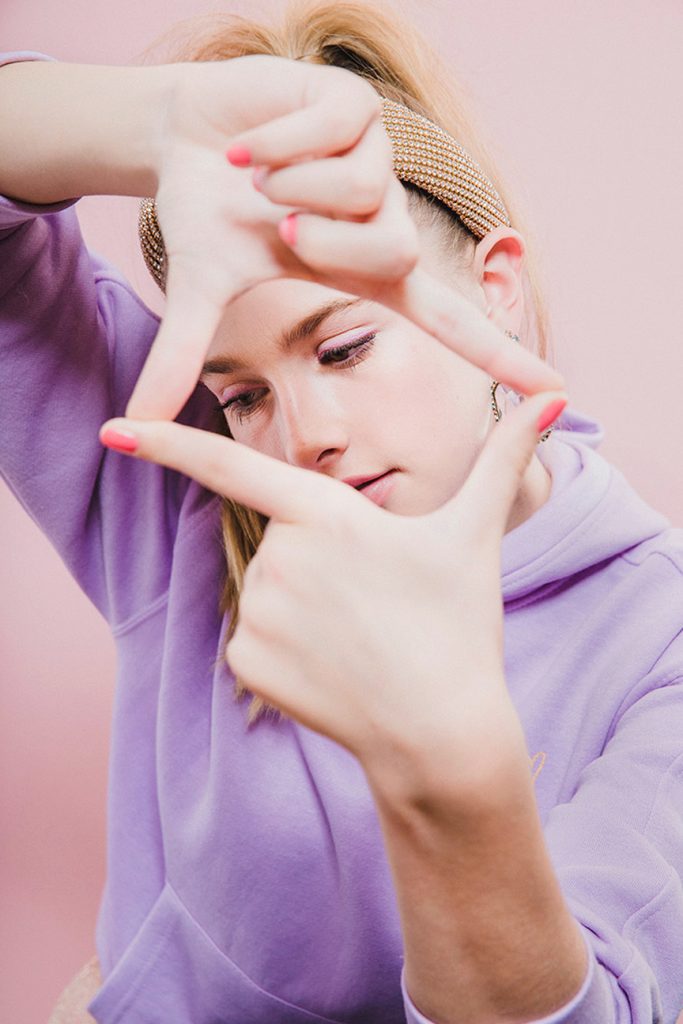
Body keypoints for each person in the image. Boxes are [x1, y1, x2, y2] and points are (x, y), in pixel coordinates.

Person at [1, 1, 682, 1021]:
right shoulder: (188, 488)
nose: (304, 433)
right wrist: (159, 123)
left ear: (495, 290)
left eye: (344, 347)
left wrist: (451, 772)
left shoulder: (655, 637)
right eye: (242, 394)